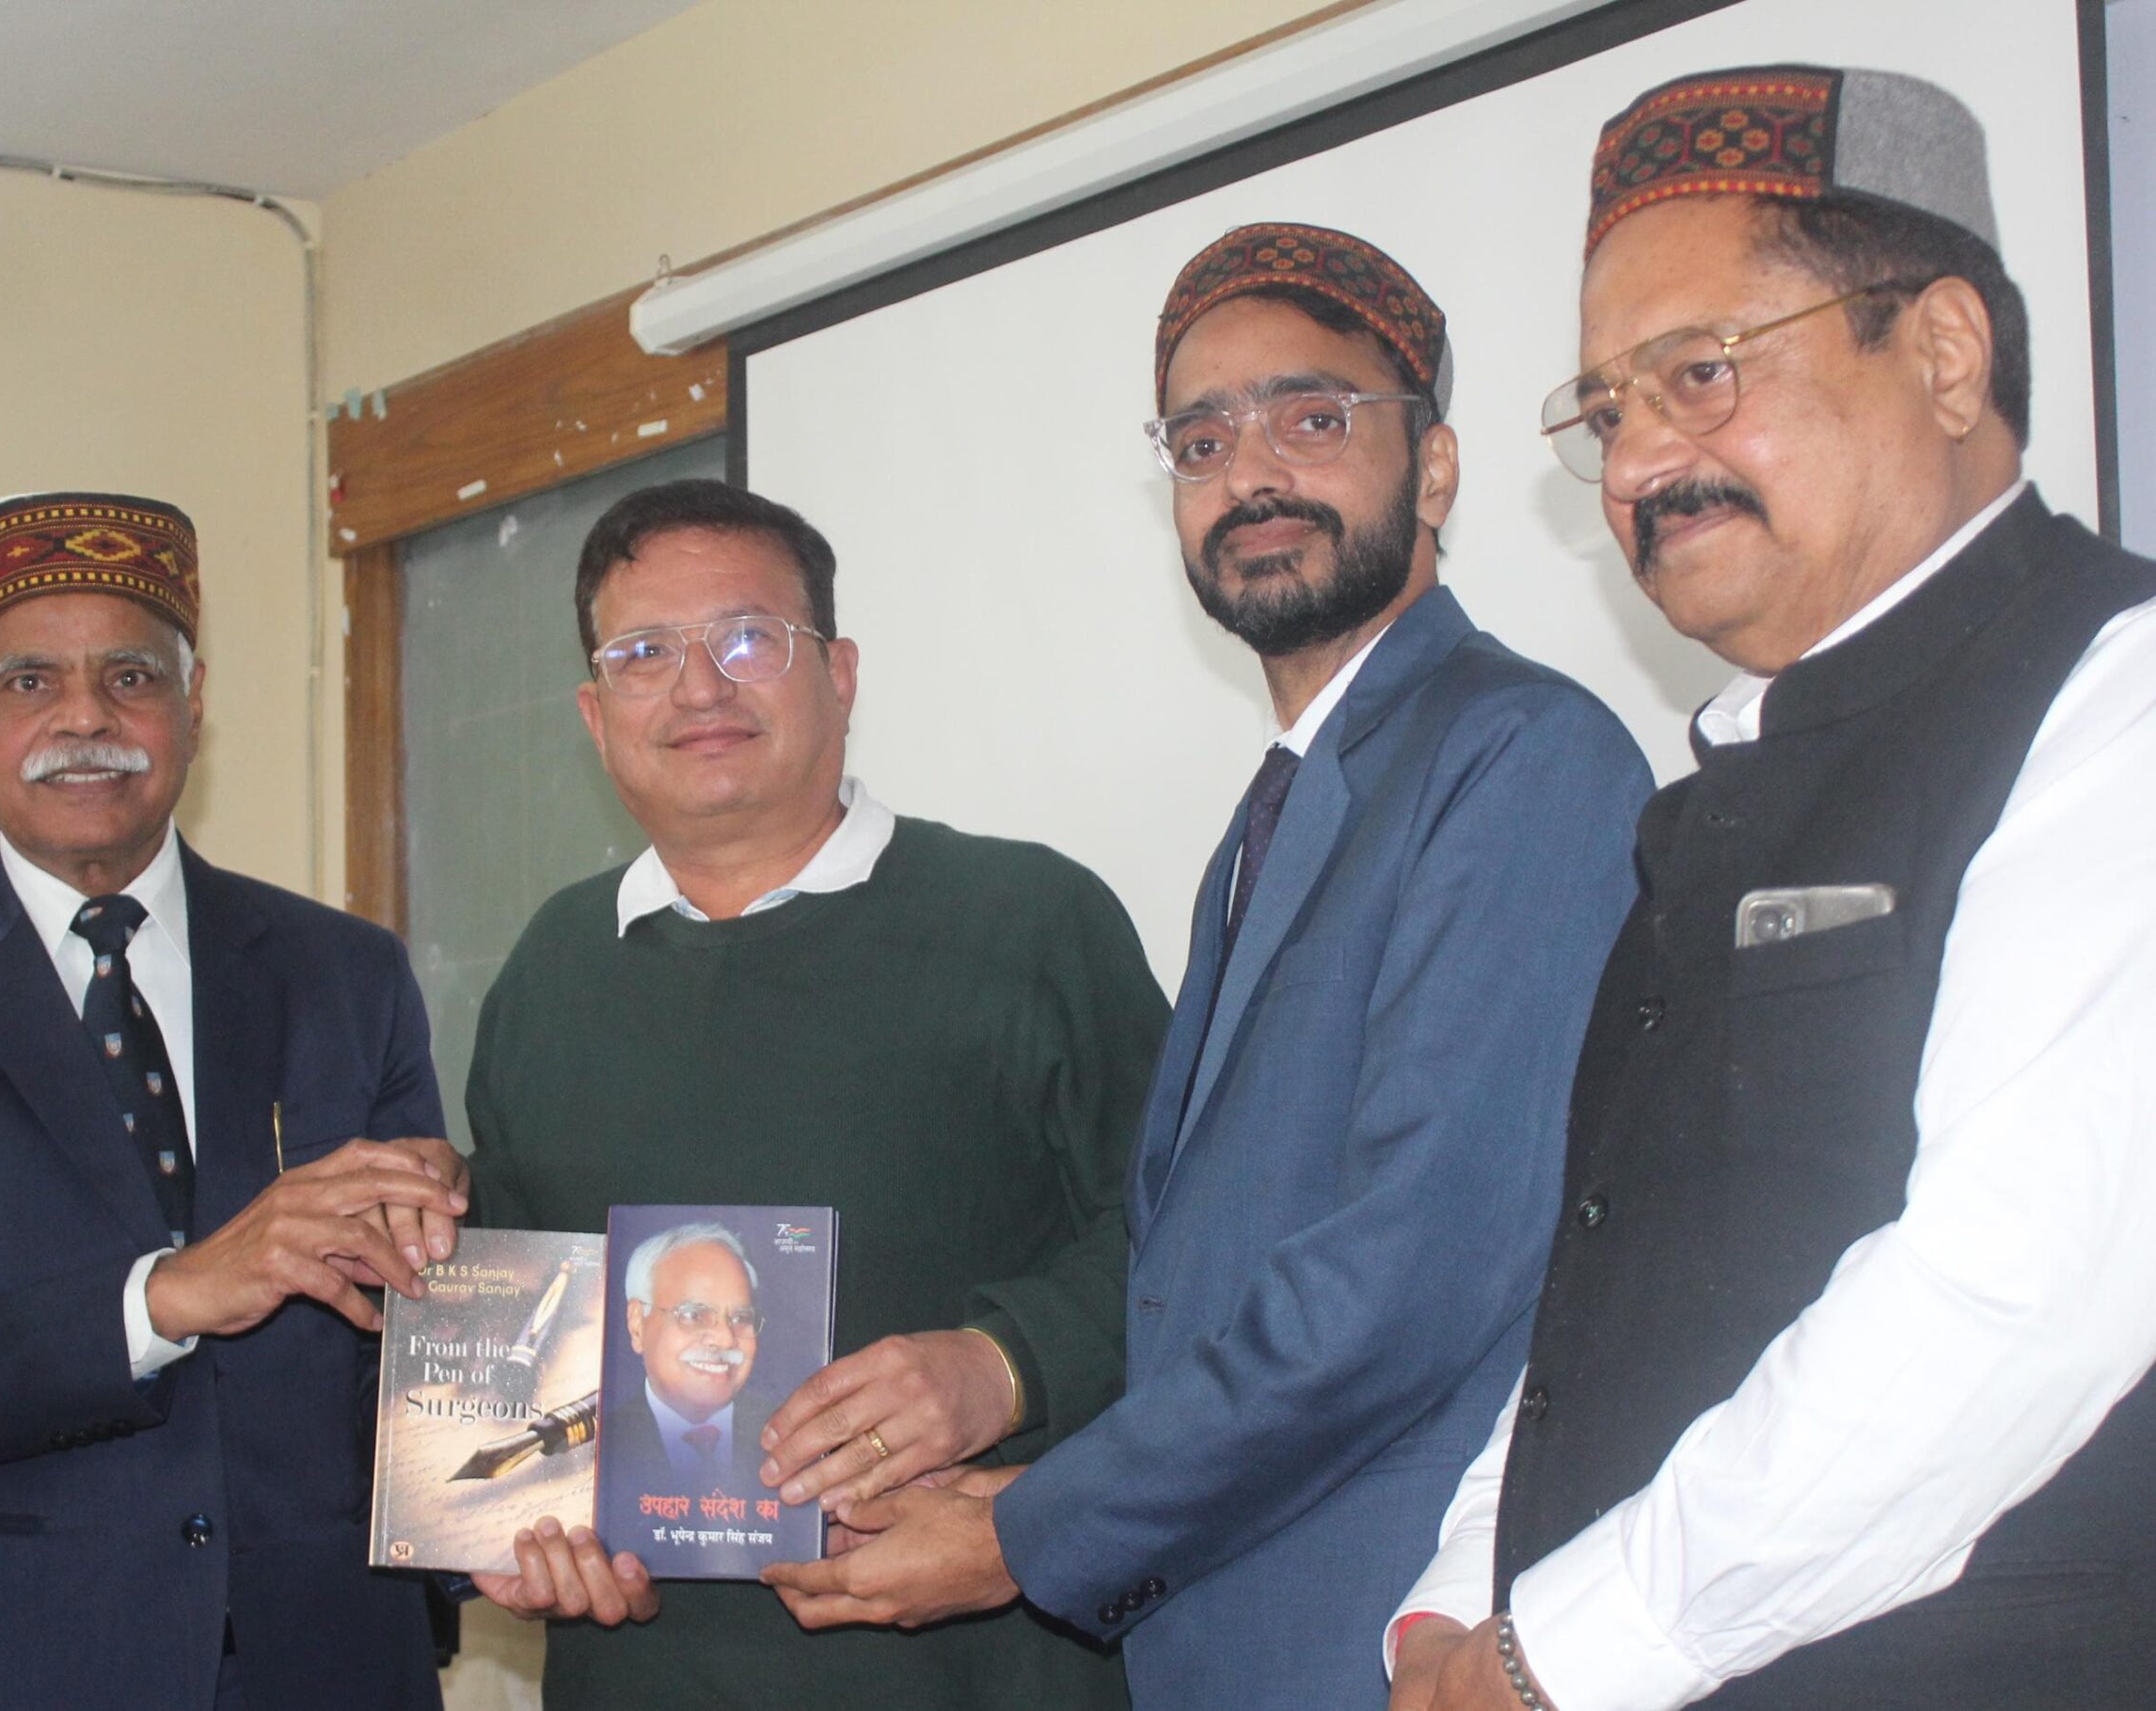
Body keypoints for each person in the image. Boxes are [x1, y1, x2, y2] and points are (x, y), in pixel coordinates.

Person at [763, 225, 1651, 1711]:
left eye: (1314, 417)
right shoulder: (1274, 811)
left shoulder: (1520, 753)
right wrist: (1011, 1436)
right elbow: (1201, 1269)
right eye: (1201, 440)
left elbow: (1412, 1271)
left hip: (1394, 1644)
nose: (1251, 474)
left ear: (1435, 468)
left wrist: (1030, 1533)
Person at [1387, 66, 2156, 1711]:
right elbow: (1605, 1291)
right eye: (1607, 410)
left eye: (1700, 372)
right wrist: (1454, 1604)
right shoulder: (1715, 796)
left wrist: (1548, 1653)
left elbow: (2010, 1293)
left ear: (1943, 354)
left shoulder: (2119, 695)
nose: (1637, 462)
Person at [0, 492, 468, 1711]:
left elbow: (410, 1349)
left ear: (194, 704)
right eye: (29, 680)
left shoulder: (346, 972)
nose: (85, 716)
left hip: (330, 1662)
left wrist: (504, 1522)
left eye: (130, 675)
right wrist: (161, 1297)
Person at [462, 477, 1170, 1709]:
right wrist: (524, 1525)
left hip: (980, 1675)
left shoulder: (1030, 921)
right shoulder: (549, 970)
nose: (699, 687)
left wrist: (1006, 1361)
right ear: (594, 712)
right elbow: (523, 1339)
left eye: (748, 638)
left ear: (839, 674)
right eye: (644, 654)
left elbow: (1191, 1237)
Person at [606, 1221, 770, 1488]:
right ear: (637, 1325)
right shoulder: (601, 1444)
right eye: (694, 1315)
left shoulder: (789, 1435)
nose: (725, 1339)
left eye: (741, 1318)